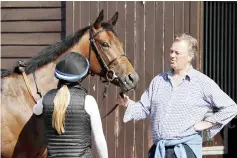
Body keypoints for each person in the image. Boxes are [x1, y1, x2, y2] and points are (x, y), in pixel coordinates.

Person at [118, 33, 237, 158]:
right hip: (159, 151)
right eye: (171, 52)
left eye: (177, 53)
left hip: (184, 151)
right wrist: (127, 103)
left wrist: (207, 123)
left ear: (190, 56)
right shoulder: (159, 81)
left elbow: (231, 108)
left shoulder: (202, 82)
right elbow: (142, 109)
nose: (172, 56)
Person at [33, 52, 108, 158]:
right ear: (80, 77)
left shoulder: (46, 98)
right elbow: (99, 138)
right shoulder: (88, 101)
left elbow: (36, 110)